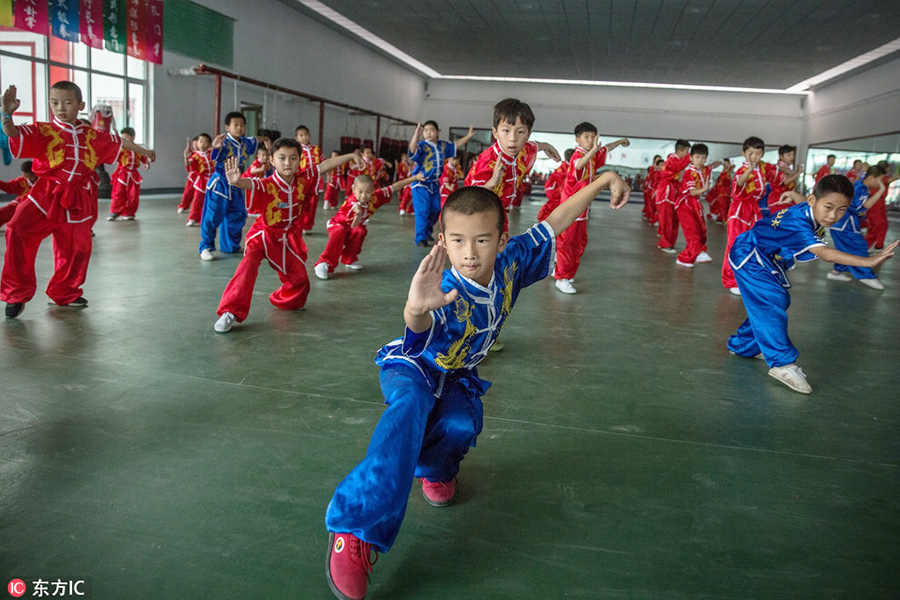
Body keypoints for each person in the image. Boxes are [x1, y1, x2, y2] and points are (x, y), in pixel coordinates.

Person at [323, 168, 631, 600]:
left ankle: (434, 469)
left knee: (461, 424)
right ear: (443, 241)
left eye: (482, 240)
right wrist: (414, 308)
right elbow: (416, 331)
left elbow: (557, 219)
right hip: (414, 364)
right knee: (408, 412)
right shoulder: (443, 287)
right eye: (458, 241)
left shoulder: (513, 261)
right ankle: (354, 529)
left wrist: (603, 181)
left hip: (456, 373)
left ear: (502, 241)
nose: (470, 253)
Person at [727, 175, 897, 394]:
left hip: (766, 256)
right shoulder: (798, 223)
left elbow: (808, 203)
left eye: (841, 210)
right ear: (812, 201)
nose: (832, 215)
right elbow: (825, 254)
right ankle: (782, 364)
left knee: (779, 299)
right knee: (771, 300)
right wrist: (869, 261)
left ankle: (742, 345)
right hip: (749, 255)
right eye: (828, 207)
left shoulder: (810, 208)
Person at [0, 82, 155, 319]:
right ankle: (16, 293)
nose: (60, 108)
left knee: (77, 248)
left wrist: (143, 150)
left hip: (78, 197)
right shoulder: (44, 130)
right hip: (46, 193)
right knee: (17, 229)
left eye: (67, 102)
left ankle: (65, 291)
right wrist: (7, 113)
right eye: (54, 103)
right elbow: (13, 133)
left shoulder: (91, 135)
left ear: (81, 105)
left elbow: (117, 141)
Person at [553, 121, 630, 293]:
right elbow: (578, 165)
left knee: (579, 242)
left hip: (582, 208)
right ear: (577, 140)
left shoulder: (591, 155)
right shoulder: (578, 156)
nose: (590, 140)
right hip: (570, 208)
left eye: (593, 137)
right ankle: (561, 277)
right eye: (586, 137)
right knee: (568, 243)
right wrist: (594, 150)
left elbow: (606, 149)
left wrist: (619, 141)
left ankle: (564, 270)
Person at [464, 98, 561, 233]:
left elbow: (532, 146)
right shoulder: (488, 161)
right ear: (495, 133)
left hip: (500, 213)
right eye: (506, 130)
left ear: (528, 134)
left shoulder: (521, 149)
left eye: (520, 132)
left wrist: (546, 146)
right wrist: (492, 182)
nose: (513, 138)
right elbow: (471, 198)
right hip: (477, 217)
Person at [313, 172, 423, 280]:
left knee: (360, 231)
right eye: (360, 192)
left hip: (352, 227)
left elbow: (395, 186)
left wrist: (414, 178)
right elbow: (356, 207)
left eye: (368, 192)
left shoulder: (376, 197)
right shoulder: (352, 200)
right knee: (339, 231)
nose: (363, 196)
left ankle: (349, 259)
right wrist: (358, 213)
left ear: (373, 191)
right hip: (337, 224)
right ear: (353, 189)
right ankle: (323, 263)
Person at [198, 111, 270, 261]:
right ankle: (205, 246)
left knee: (238, 214)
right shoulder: (223, 142)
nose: (239, 128)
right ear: (227, 127)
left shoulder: (245, 142)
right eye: (235, 125)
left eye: (242, 125)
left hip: (236, 184)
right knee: (212, 216)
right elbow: (215, 157)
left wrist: (266, 139)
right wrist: (216, 148)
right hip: (220, 185)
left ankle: (230, 246)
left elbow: (256, 139)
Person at [408, 121, 475, 246]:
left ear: (438, 132)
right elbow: (412, 152)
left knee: (436, 209)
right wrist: (416, 135)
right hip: (421, 183)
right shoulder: (421, 146)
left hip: (434, 184)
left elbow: (455, 145)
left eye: (431, 130)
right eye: (425, 130)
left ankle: (426, 232)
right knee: (422, 211)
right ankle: (420, 238)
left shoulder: (442, 145)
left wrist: (468, 137)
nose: (428, 133)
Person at [826, 166, 889, 289]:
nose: (881, 183)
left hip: (843, 223)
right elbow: (866, 205)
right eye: (880, 180)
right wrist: (881, 190)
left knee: (844, 249)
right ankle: (866, 275)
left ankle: (836, 272)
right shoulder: (859, 188)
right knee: (858, 246)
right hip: (844, 224)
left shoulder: (860, 187)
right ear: (871, 178)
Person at [721, 136, 767, 294]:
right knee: (735, 244)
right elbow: (739, 184)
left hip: (754, 211)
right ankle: (731, 280)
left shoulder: (761, 169)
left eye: (758, 153)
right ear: (743, 154)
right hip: (740, 211)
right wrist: (749, 169)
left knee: (754, 245)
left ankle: (748, 278)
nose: (754, 157)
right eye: (751, 153)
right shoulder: (742, 171)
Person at [674, 143, 721, 267]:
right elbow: (691, 192)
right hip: (685, 204)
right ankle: (699, 253)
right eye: (697, 157)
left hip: (696, 204)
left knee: (701, 233)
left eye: (703, 158)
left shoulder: (704, 169)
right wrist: (704, 189)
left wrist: (720, 163)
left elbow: (711, 166)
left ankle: (684, 258)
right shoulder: (689, 173)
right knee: (692, 231)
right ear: (691, 158)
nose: (700, 161)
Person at [654, 139, 691, 253]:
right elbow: (678, 166)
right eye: (687, 152)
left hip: (671, 193)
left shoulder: (673, 160)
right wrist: (691, 157)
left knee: (673, 219)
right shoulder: (672, 159)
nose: (687, 155)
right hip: (666, 193)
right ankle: (665, 244)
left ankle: (667, 243)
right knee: (667, 219)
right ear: (681, 151)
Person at [107, 127, 151, 221]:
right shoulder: (122, 149)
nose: (124, 141)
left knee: (133, 195)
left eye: (126, 138)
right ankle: (115, 212)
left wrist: (147, 163)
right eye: (123, 138)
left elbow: (144, 158)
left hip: (134, 175)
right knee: (118, 194)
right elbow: (114, 155)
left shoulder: (138, 149)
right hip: (122, 175)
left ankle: (129, 212)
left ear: (132, 137)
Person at [865, 161, 898, 251]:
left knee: (880, 226)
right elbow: (888, 180)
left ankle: (876, 244)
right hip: (876, 205)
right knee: (877, 227)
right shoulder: (882, 178)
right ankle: (865, 247)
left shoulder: (880, 177)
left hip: (879, 205)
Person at [182, 133, 214, 227]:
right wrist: (186, 157)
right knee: (197, 201)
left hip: (212, 180)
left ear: (209, 144)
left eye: (205, 142)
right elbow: (190, 167)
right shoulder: (195, 156)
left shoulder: (212, 153)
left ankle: (207, 219)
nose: (202, 144)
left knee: (210, 201)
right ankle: (193, 218)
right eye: (200, 141)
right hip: (201, 181)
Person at [536, 148, 574, 222]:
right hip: (553, 187)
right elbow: (563, 181)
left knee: (557, 204)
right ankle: (544, 219)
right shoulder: (565, 168)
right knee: (554, 204)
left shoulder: (568, 165)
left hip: (554, 186)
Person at [765, 145, 803, 215]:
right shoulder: (778, 169)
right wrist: (798, 173)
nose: (792, 157)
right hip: (778, 199)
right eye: (789, 155)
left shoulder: (787, 168)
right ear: (781, 156)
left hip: (785, 197)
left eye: (793, 155)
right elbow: (785, 182)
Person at [0, 160, 37, 228]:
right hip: (20, 204)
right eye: (25, 176)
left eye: (28, 176)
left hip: (37, 208)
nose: (26, 178)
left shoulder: (44, 181)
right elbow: (8, 187)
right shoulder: (21, 182)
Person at [706, 158, 733, 224]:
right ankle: (723, 219)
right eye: (726, 164)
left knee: (725, 206)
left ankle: (723, 218)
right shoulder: (724, 174)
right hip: (722, 193)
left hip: (726, 193)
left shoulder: (727, 173)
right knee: (723, 206)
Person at [177, 137, 199, 215]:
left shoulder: (207, 153)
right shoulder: (192, 153)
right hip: (193, 177)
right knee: (188, 192)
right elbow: (188, 166)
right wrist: (186, 157)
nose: (195, 145)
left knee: (199, 195)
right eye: (194, 143)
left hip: (202, 178)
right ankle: (183, 205)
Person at [641, 154, 662, 224]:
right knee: (651, 204)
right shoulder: (652, 168)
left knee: (656, 206)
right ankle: (652, 217)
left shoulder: (662, 169)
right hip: (652, 188)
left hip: (659, 189)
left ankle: (654, 218)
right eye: (657, 159)